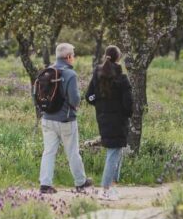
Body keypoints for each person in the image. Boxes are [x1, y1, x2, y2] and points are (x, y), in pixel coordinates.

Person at [38, 43, 91, 194]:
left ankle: (45, 184)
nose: (73, 58)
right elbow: (74, 99)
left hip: (47, 119)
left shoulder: (47, 72)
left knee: (48, 152)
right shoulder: (70, 74)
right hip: (66, 120)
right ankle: (80, 182)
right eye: (73, 55)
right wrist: (75, 106)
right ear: (68, 57)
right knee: (72, 152)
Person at [84, 45, 132, 201]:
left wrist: (100, 105)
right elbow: (128, 103)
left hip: (103, 118)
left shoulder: (97, 76)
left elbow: (89, 96)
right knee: (113, 153)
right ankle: (105, 190)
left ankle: (112, 186)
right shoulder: (122, 78)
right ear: (119, 58)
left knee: (117, 152)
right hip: (119, 120)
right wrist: (127, 114)